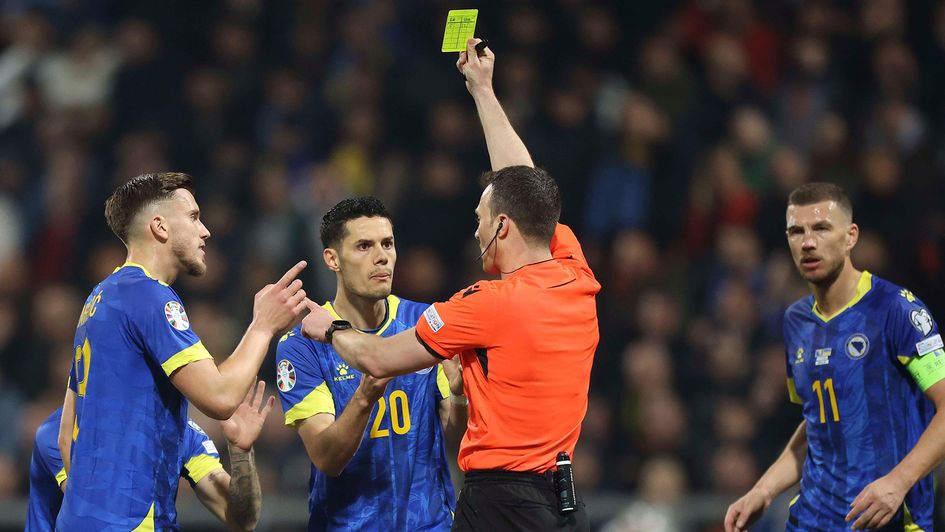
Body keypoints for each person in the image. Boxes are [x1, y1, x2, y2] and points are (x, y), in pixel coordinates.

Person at [300, 38, 599, 531]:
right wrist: (482, 89)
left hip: (502, 505)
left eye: (481, 219)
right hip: (565, 503)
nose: (476, 229)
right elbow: (522, 182)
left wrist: (328, 328)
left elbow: (376, 358)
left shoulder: (486, 304)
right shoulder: (575, 271)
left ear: (502, 227)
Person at [56, 172, 309, 530]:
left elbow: (243, 519)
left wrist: (239, 452)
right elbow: (221, 397)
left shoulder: (99, 300)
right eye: (193, 217)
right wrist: (263, 325)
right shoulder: (146, 294)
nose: (205, 231)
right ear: (160, 227)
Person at [724, 182, 945, 531]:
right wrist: (763, 491)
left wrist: (899, 482)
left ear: (850, 236)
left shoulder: (896, 310)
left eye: (821, 228)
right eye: (797, 231)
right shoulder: (796, 321)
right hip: (813, 517)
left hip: (886, 518)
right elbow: (819, 422)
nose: (808, 242)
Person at [275, 196, 466, 531]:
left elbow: (457, 440)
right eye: (364, 246)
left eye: (387, 244)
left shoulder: (424, 322)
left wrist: (460, 397)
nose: (382, 257)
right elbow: (326, 458)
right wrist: (365, 397)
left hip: (430, 524)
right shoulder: (302, 345)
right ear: (332, 259)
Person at [28, 381, 273, 532]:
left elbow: (244, 519)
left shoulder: (182, 434)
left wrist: (241, 453)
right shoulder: (61, 435)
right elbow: (100, 511)